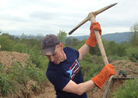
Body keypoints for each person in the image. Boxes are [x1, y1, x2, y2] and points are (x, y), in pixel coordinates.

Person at [41, 22, 115, 98]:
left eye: (54, 54)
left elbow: (80, 54)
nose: (52, 59)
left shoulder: (68, 51)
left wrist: (92, 39)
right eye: (48, 56)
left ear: (61, 46)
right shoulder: (52, 72)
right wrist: (101, 77)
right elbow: (78, 89)